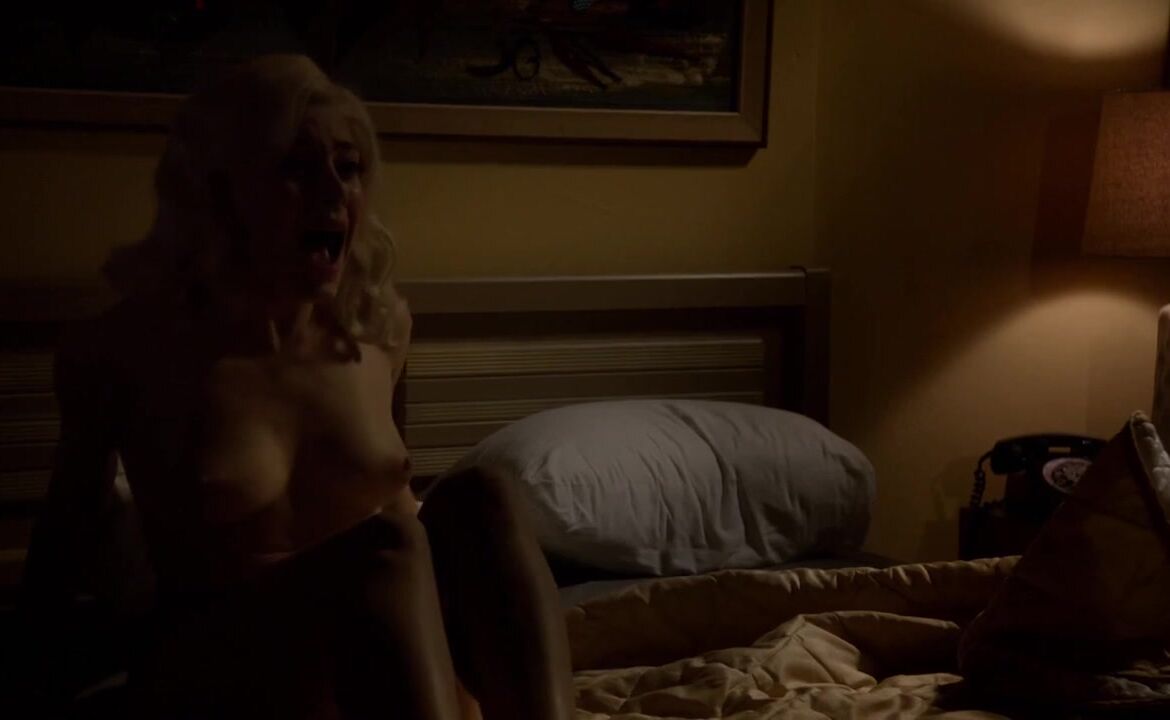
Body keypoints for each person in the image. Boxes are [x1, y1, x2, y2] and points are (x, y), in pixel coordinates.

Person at [20, 54, 574, 719]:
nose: (333, 192)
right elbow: (63, 546)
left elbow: (395, 506)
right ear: (222, 191)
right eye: (296, 169)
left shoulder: (378, 330)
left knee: (485, 496)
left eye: (349, 167)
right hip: (215, 670)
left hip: (374, 655)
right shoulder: (124, 346)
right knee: (385, 553)